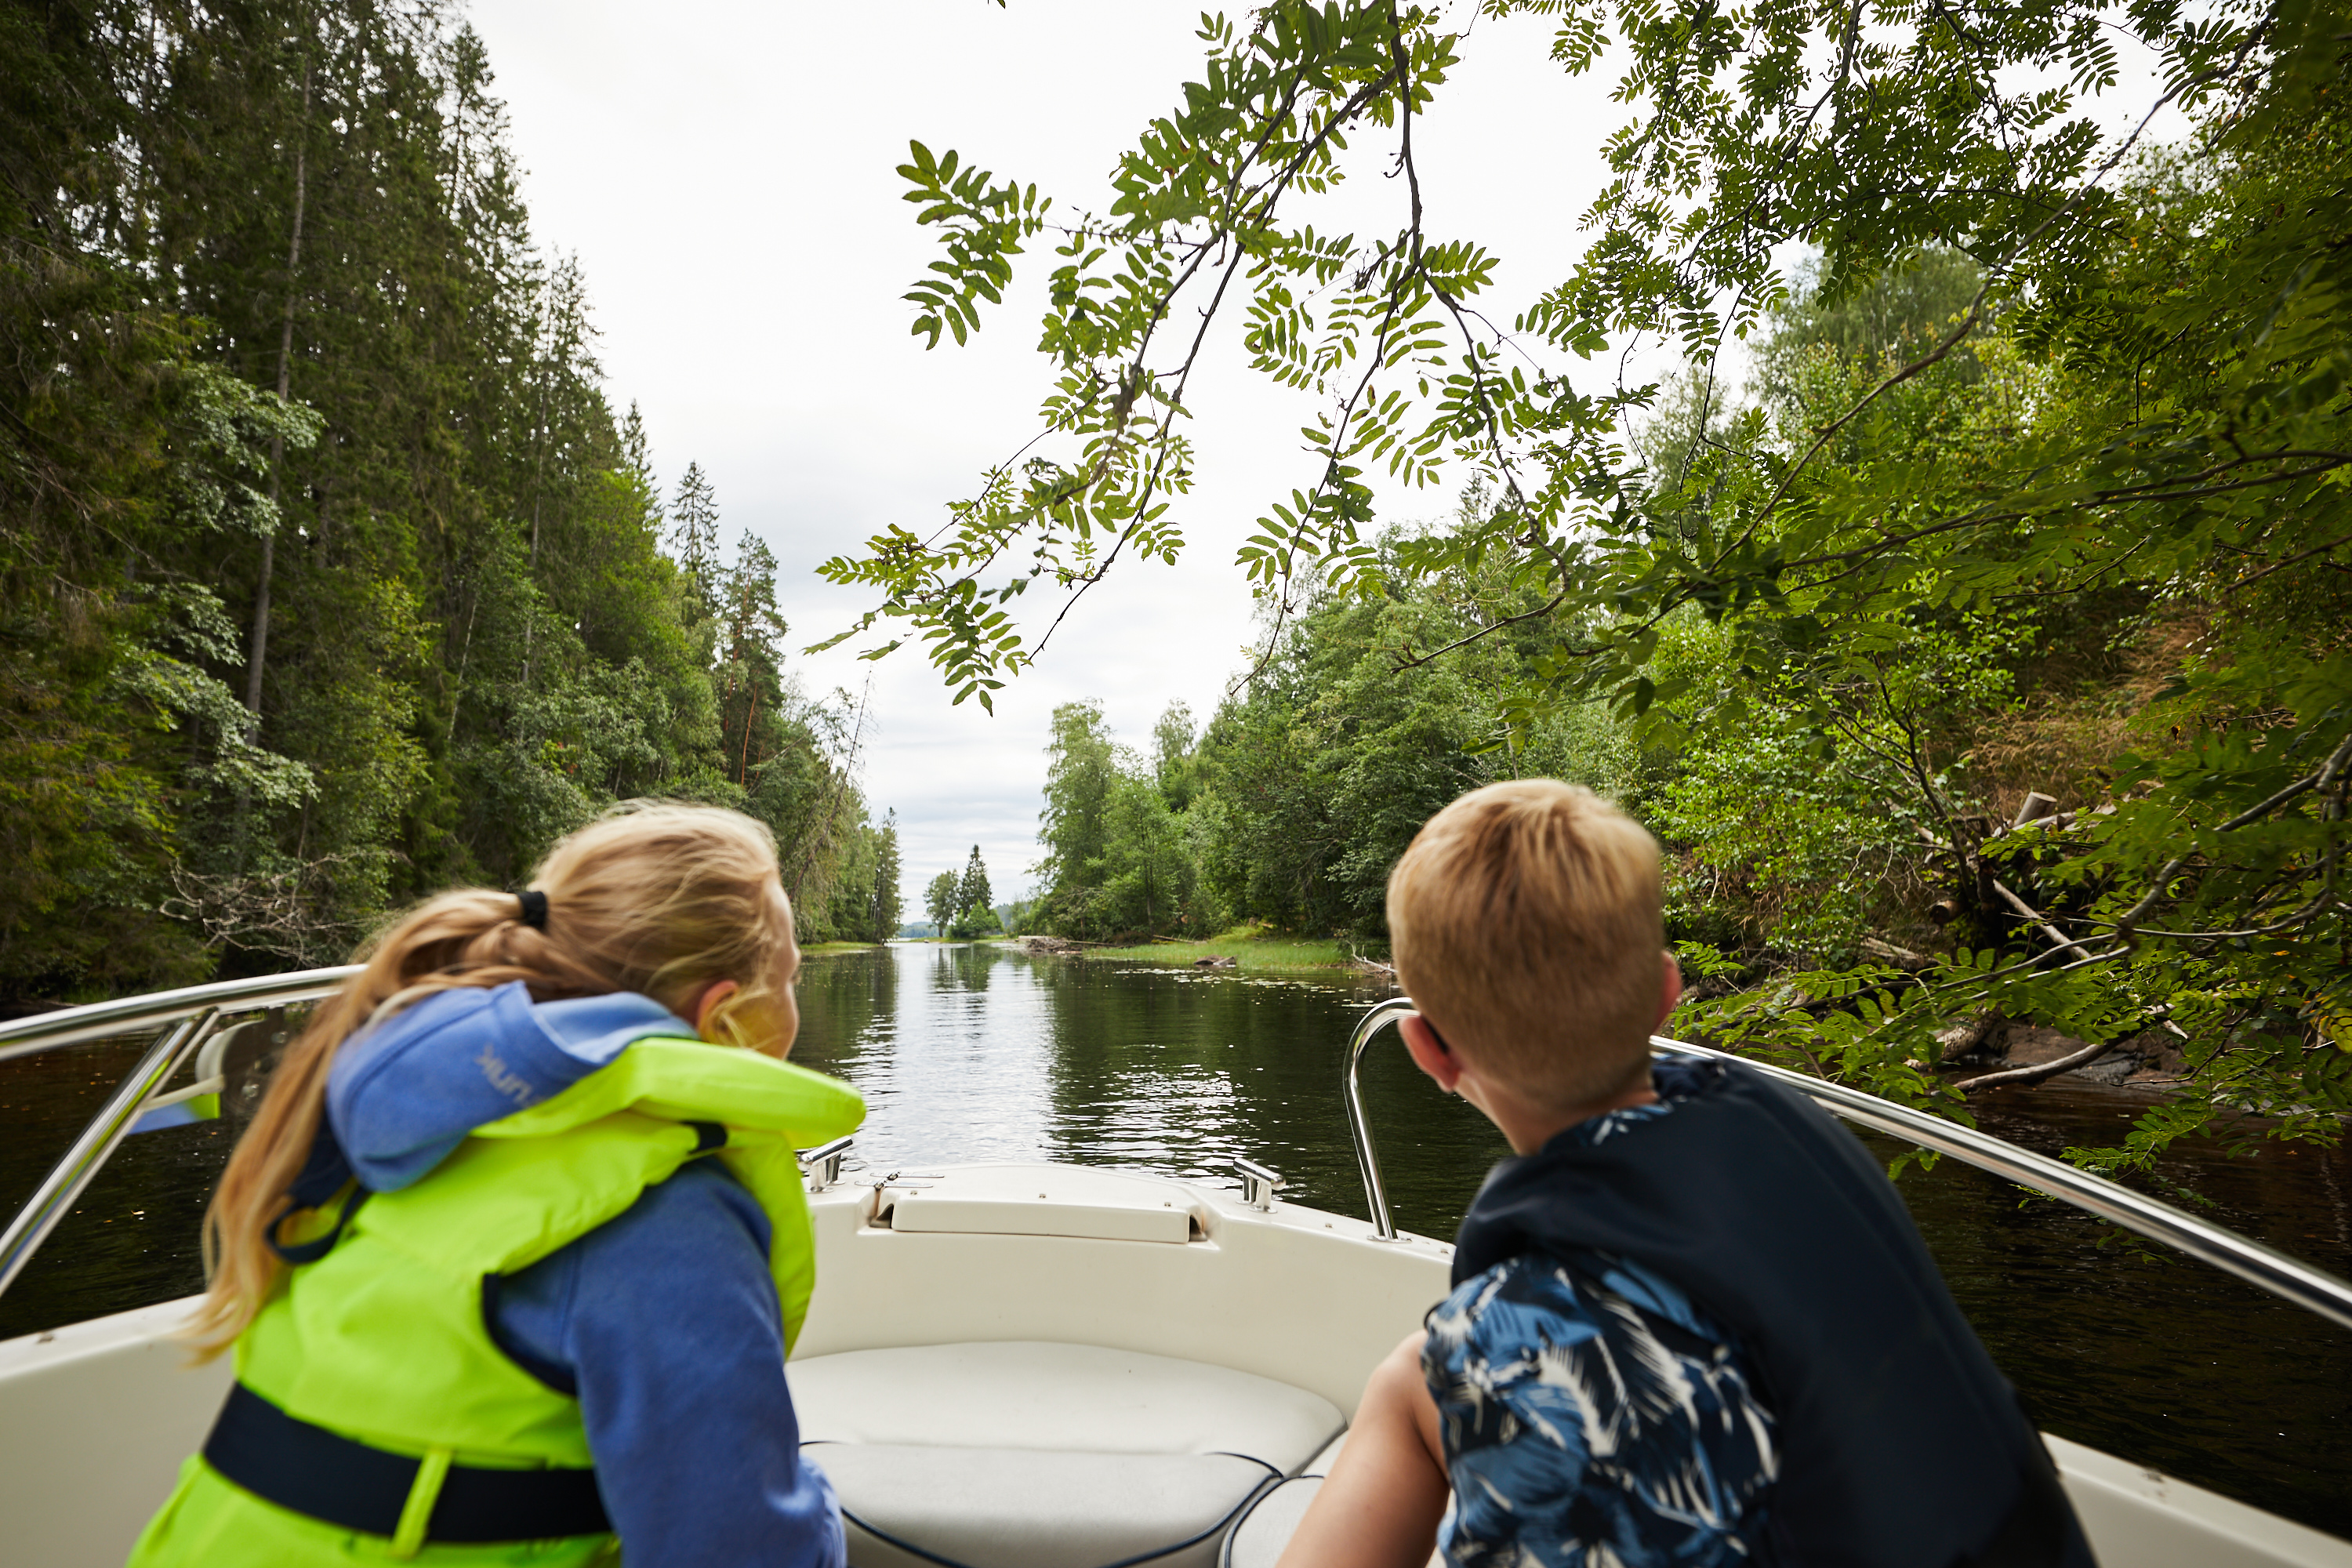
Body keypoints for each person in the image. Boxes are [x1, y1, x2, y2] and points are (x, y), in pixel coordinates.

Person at [1279, 780, 2095, 1568]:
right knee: (1424, 1373)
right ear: (1668, 993)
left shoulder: (1518, 1343)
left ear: (1428, 1050)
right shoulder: (1791, 1133)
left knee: (1419, 1373)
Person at [129, 803, 866, 1567]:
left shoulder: (411, 1136)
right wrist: (817, 1507)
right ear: (721, 1015)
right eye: (789, 978)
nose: (793, 1001)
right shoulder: (669, 1213)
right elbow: (740, 1551)